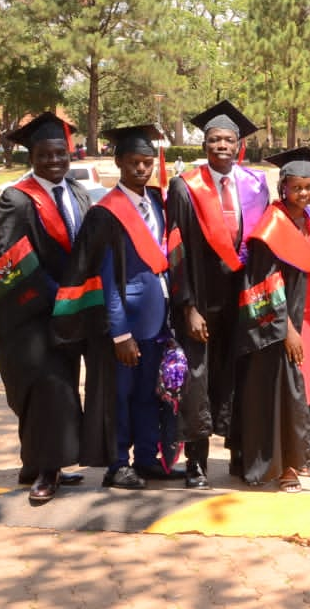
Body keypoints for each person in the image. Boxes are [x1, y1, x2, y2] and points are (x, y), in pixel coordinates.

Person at [53, 124, 178, 491]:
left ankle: (146, 459)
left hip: (157, 321)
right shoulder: (106, 213)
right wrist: (120, 332)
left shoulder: (155, 201)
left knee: (147, 395)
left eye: (147, 162)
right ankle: (117, 464)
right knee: (120, 398)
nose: (142, 169)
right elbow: (104, 280)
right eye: (134, 163)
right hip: (125, 326)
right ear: (119, 163)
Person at [0, 113, 91, 504]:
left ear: (69, 152)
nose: (54, 162)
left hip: (70, 311)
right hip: (31, 313)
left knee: (63, 382)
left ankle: (43, 463)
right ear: (33, 157)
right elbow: (11, 258)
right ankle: (46, 471)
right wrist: (57, 298)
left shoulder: (77, 192)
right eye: (45, 155)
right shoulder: (17, 199)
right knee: (48, 388)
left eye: (60, 154)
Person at [165, 100, 270, 489]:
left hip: (243, 299)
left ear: (238, 144)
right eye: (213, 140)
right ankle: (196, 463)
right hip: (201, 299)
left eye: (227, 139)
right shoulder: (185, 186)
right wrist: (187, 306)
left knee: (240, 376)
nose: (221, 145)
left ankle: (240, 455)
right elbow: (175, 249)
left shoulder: (256, 184)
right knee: (198, 380)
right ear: (204, 144)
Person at [236, 148, 310, 490]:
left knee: (306, 390)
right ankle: (286, 466)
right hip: (285, 323)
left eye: (309, 187)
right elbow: (265, 285)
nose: (304, 193)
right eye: (297, 188)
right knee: (286, 392)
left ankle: (303, 457)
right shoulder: (271, 227)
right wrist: (286, 330)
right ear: (283, 189)